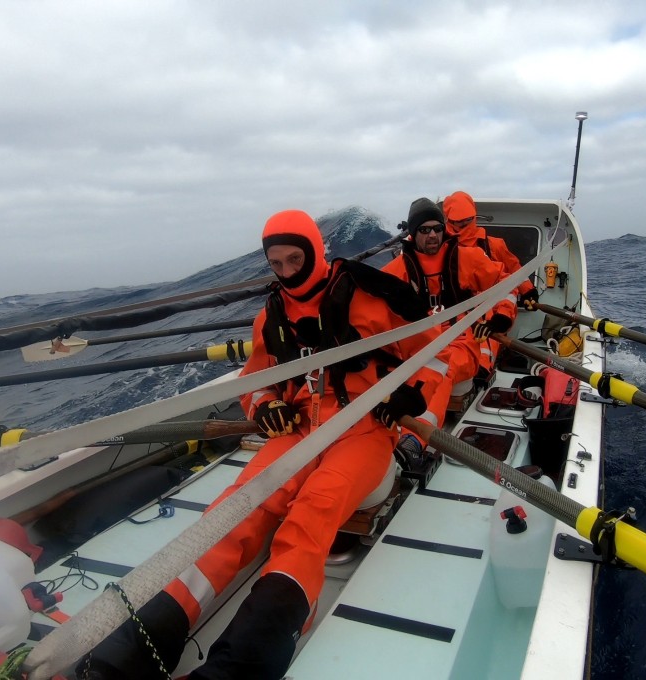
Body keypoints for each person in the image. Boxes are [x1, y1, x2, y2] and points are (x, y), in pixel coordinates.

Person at [83, 209, 449, 680]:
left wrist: (409, 392)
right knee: (238, 507)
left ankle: (247, 661)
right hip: (298, 427)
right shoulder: (271, 316)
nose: (287, 273)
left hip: (366, 426)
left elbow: (439, 352)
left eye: (295, 259)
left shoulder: (373, 293)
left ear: (316, 252)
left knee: (313, 511)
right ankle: (135, 645)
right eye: (276, 264)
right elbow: (255, 381)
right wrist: (264, 407)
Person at [382, 197, 518, 460]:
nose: (432, 234)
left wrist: (502, 316)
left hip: (461, 344)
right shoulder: (395, 272)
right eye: (424, 229)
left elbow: (505, 283)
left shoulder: (468, 258)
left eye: (437, 228)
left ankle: (412, 442)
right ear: (413, 233)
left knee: (438, 370)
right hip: (416, 348)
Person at [442, 190, 538, 307]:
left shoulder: (495, 245)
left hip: (493, 311)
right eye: (460, 221)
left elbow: (514, 269)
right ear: (449, 220)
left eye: (469, 219)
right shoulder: (440, 248)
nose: (465, 224)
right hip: (452, 313)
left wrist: (528, 291)